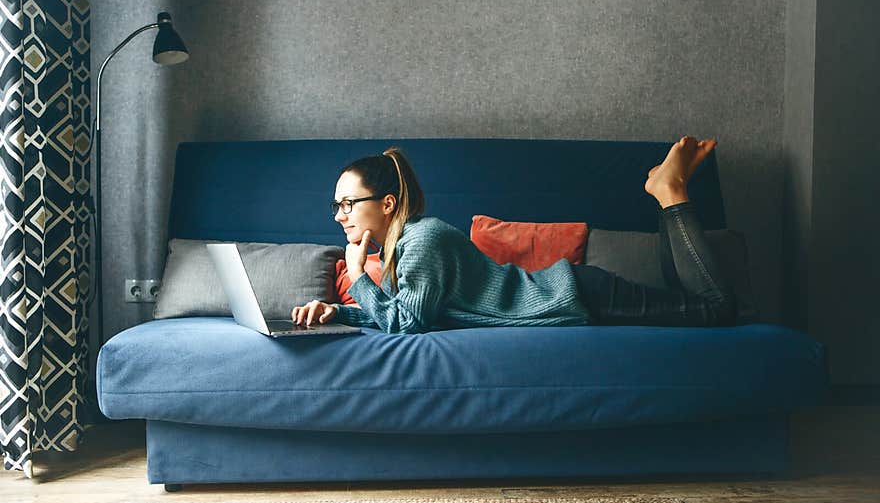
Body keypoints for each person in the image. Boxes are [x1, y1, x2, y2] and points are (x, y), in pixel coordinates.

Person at [290, 137, 738, 334]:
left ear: (387, 203)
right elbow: (403, 312)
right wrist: (338, 312)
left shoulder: (421, 242)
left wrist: (358, 276)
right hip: (576, 293)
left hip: (576, 297)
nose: (339, 216)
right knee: (689, 300)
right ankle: (666, 190)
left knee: (716, 312)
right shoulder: (406, 245)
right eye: (337, 206)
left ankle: (671, 192)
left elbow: (408, 326)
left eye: (349, 203)